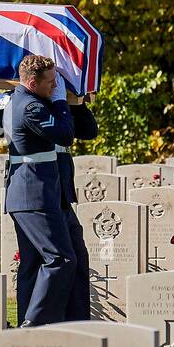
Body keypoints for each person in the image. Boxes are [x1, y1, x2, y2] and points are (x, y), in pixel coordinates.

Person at [3, 56, 76, 326]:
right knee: (60, 259)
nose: (55, 85)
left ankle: (34, 320)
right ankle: (33, 324)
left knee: (34, 262)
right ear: (33, 82)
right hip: (33, 195)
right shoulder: (31, 106)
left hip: (29, 194)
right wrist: (60, 101)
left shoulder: (20, 99)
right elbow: (65, 134)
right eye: (51, 82)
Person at [57, 93, 99, 320]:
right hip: (42, 191)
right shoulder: (28, 103)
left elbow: (89, 131)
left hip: (62, 191)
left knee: (78, 257)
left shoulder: (61, 103)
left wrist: (77, 101)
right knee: (53, 261)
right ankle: (39, 321)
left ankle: (78, 320)